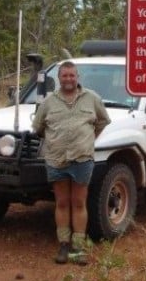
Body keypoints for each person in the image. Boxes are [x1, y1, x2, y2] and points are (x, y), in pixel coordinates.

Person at [32, 61, 111, 265]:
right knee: (62, 202)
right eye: (64, 76)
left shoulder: (91, 99)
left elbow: (102, 122)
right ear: (59, 78)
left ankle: (78, 247)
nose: (68, 79)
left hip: (82, 159)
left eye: (72, 75)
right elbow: (39, 128)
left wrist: (88, 139)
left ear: (77, 77)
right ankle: (63, 245)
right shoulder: (49, 102)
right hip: (56, 159)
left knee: (78, 202)